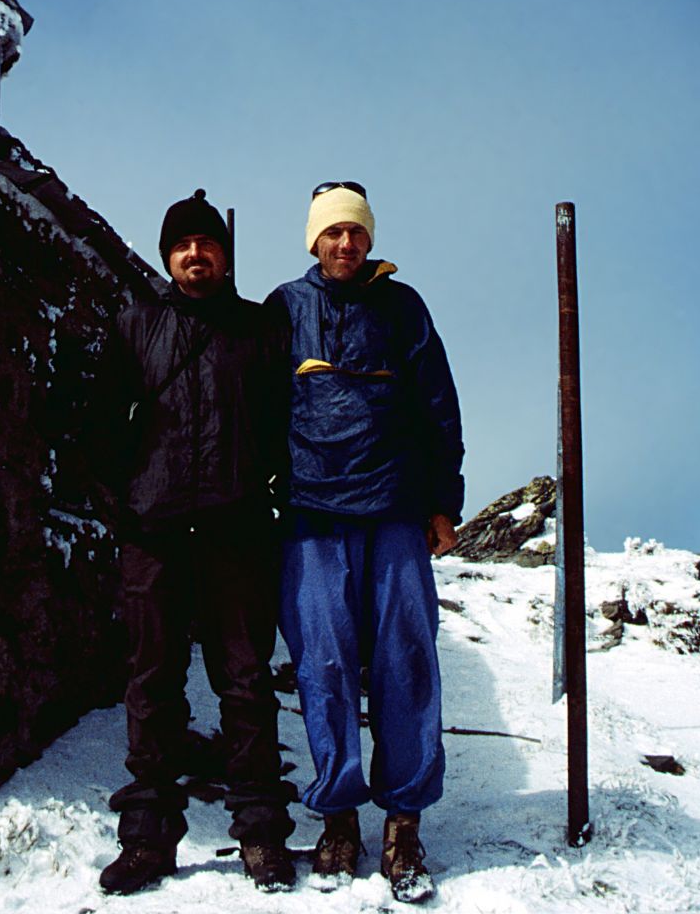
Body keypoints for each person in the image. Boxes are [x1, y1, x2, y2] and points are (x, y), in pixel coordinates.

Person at [265, 181, 464, 903]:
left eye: (357, 233)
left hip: (395, 514)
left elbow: (439, 407)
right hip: (313, 515)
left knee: (406, 660)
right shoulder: (284, 308)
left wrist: (444, 502)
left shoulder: (403, 308)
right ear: (313, 240)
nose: (346, 244)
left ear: (369, 239)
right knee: (323, 664)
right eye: (333, 233)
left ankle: (403, 820)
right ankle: (339, 816)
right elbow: (257, 406)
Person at [93, 189, 295, 895]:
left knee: (244, 683)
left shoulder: (256, 331)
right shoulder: (135, 327)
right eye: (183, 245)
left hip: (236, 533)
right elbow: (94, 422)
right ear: (167, 255)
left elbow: (285, 424)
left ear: (224, 254)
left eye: (207, 244)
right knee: (152, 682)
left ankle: (262, 832)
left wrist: (268, 493)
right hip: (155, 533)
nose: (195, 255)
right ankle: (147, 834)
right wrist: (123, 505)